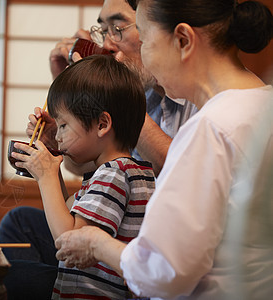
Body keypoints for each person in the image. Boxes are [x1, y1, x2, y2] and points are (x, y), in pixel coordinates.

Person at [55, 0, 273, 298]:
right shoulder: (263, 104)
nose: (141, 53)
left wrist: (95, 243)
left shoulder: (211, 128)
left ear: (183, 40)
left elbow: (162, 271)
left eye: (144, 39)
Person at [0, 0, 197, 269]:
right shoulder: (143, 101)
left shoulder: (199, 101)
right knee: (19, 222)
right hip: (103, 243)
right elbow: (84, 171)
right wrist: (61, 133)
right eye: (103, 31)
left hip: (147, 253)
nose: (108, 44)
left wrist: (110, 96)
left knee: (12, 276)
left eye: (118, 28)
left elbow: (180, 173)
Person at [11, 55, 155, 299]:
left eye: (64, 125)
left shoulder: (114, 174)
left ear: (102, 124)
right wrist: (52, 165)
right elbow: (69, 212)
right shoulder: (129, 170)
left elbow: (68, 239)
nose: (58, 135)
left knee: (8, 275)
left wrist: (45, 177)